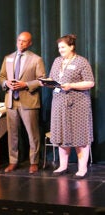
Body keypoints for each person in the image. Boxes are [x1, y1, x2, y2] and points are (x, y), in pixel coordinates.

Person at [44, 34, 94, 179]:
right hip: (59, 103)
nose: (60, 50)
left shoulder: (81, 62)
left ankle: (82, 168)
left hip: (78, 104)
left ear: (71, 47)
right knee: (60, 134)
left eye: (63, 47)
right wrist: (45, 82)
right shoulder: (57, 61)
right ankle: (63, 166)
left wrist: (71, 85)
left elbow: (90, 82)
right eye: (59, 47)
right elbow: (53, 78)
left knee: (80, 135)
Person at [0, 31, 46, 174]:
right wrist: (6, 83)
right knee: (12, 134)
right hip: (11, 101)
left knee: (33, 133)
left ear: (30, 43)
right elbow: (1, 76)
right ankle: (13, 161)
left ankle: (34, 161)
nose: (21, 43)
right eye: (19, 40)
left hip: (28, 101)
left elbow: (42, 80)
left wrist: (25, 84)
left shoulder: (36, 59)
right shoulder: (8, 58)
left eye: (24, 41)